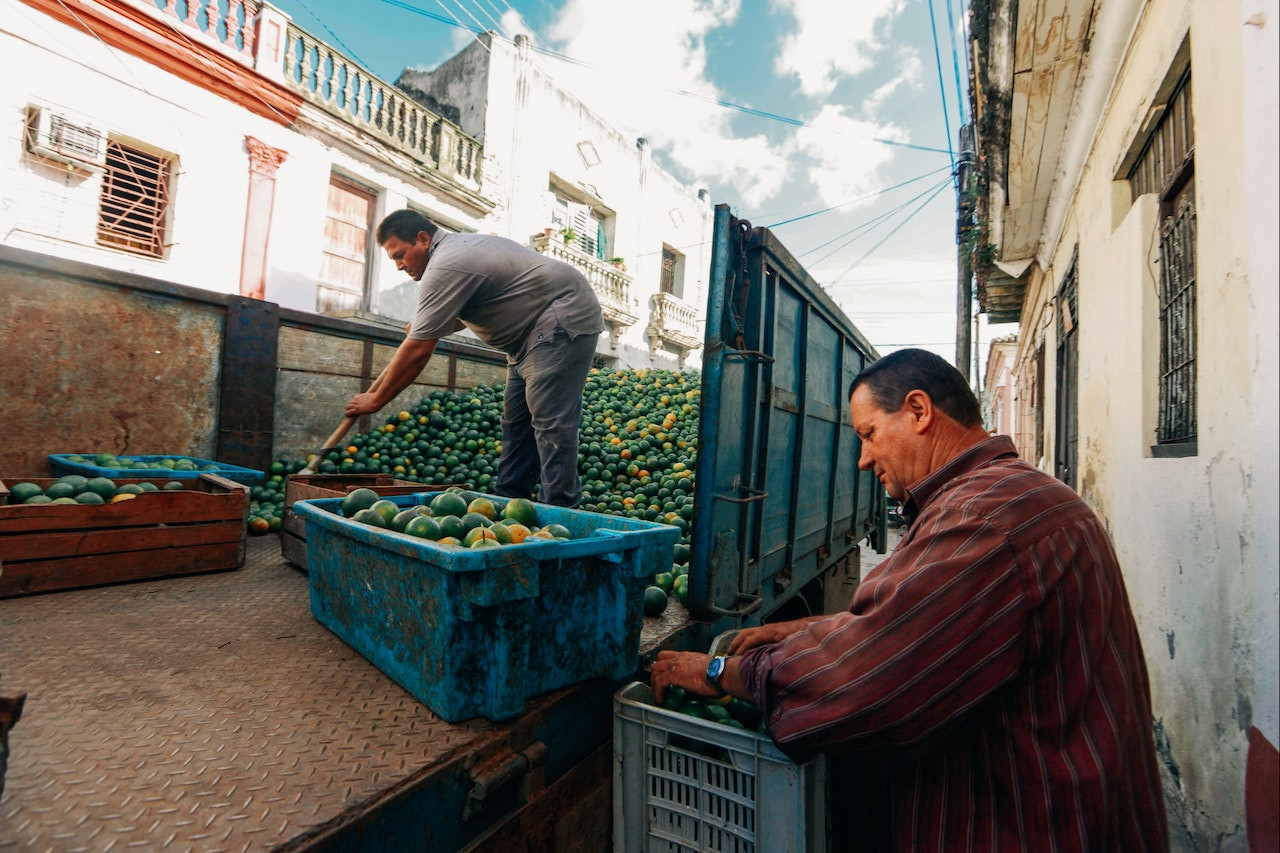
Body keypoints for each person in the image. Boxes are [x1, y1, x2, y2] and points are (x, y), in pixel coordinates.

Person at [651, 348, 1167, 850]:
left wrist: (720, 674)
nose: (863, 459)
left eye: (870, 434)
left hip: (1031, 823)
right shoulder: (1016, 495)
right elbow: (932, 625)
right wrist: (809, 630)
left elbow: (863, 684)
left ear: (919, 411)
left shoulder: (983, 519)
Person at [345, 209, 603, 507]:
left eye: (400, 255)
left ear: (422, 239)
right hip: (525, 339)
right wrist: (433, 320)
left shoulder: (444, 266)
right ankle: (510, 503)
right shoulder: (456, 254)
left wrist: (376, 400)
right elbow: (470, 308)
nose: (400, 266)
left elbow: (417, 350)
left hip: (560, 315)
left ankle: (561, 515)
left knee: (550, 421)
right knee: (517, 422)